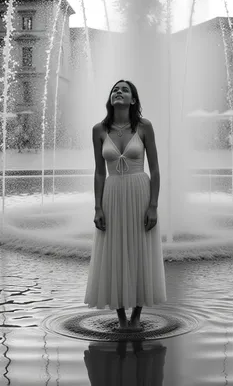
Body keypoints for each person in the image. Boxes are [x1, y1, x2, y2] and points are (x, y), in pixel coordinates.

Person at [84, 80, 166, 331]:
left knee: (140, 249)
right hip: (112, 194)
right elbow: (99, 172)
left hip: (139, 192)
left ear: (133, 100)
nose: (118, 91)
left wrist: (153, 205)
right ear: (110, 99)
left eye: (125, 89)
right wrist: (97, 207)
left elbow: (154, 168)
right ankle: (121, 318)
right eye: (114, 89)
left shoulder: (144, 127)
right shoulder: (99, 129)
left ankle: (138, 315)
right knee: (114, 251)